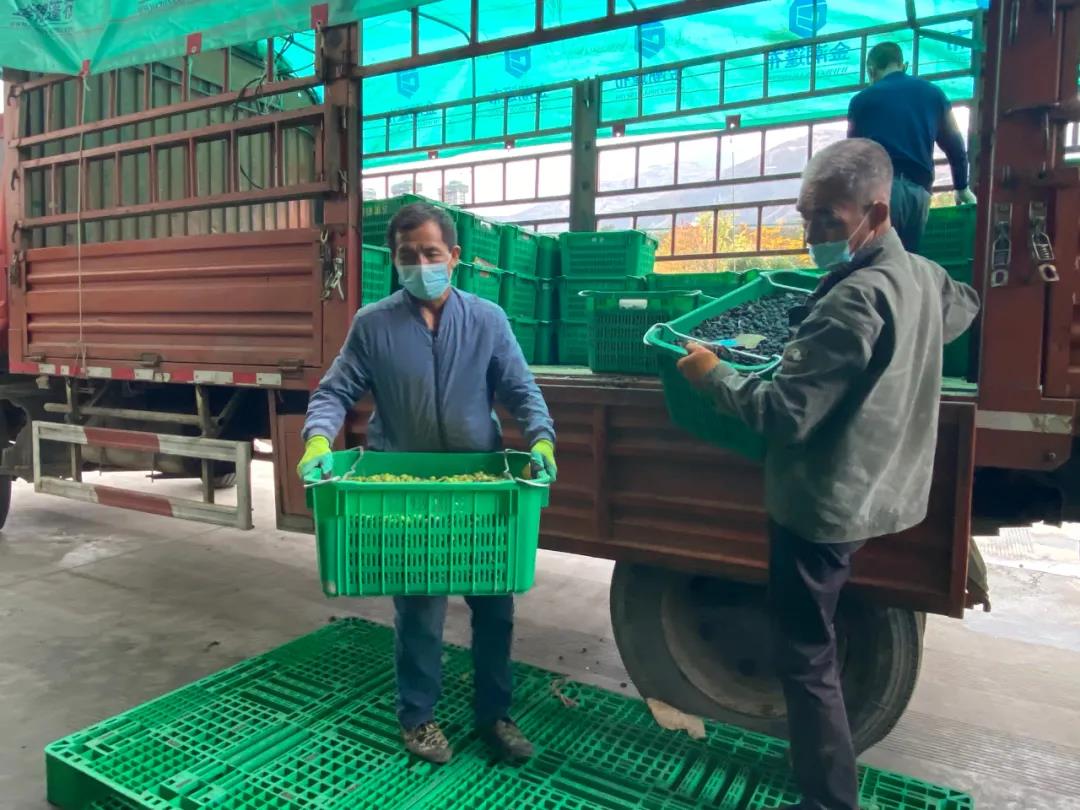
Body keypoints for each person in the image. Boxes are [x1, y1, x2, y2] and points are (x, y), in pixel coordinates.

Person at [676, 138, 979, 810]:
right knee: (817, 641)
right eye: (805, 216)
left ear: (876, 211)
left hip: (822, 506)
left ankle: (829, 801)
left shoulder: (854, 300)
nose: (812, 233)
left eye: (827, 220)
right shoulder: (923, 277)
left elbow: (783, 413)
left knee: (806, 655)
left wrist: (713, 374)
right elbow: (964, 307)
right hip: (884, 488)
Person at [296, 202, 557, 765]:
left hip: (478, 486)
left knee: (494, 606)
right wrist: (318, 439)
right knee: (419, 609)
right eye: (407, 255)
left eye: (431, 253)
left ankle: (495, 714)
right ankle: (418, 718)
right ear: (394, 260)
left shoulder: (487, 320)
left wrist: (541, 440)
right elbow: (335, 391)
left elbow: (521, 390)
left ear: (454, 256)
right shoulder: (374, 324)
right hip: (407, 487)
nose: (420, 265)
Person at [847, 41, 975, 252]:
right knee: (905, 261)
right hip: (919, 194)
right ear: (903, 65)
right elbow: (955, 145)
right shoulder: (934, 94)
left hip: (880, 191)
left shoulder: (861, 101)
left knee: (875, 262)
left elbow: (852, 156)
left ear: (871, 71)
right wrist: (961, 187)